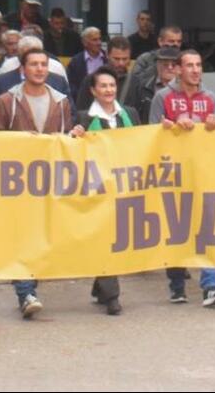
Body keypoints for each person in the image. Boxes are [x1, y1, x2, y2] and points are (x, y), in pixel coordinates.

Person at [0, 48, 74, 319]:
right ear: (22, 69)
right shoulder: (6, 101)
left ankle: (30, 286)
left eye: (43, 64)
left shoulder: (61, 101)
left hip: (49, 180)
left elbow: (67, 138)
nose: (39, 69)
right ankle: (26, 292)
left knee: (42, 236)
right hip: (17, 182)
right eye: (34, 64)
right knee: (22, 236)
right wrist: (19, 141)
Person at [149, 50, 215, 307]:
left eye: (199, 65)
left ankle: (210, 286)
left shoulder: (210, 97)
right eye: (190, 65)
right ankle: (177, 286)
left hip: (202, 170)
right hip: (172, 172)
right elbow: (150, 135)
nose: (196, 70)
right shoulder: (162, 97)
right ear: (177, 69)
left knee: (207, 226)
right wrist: (170, 127)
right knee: (176, 227)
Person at [69, 66, 139, 316]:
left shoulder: (130, 114)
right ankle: (112, 295)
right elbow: (72, 149)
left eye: (112, 85)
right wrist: (74, 136)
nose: (109, 90)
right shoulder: (84, 118)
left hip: (125, 186)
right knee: (104, 237)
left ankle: (100, 285)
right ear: (93, 90)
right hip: (97, 188)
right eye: (103, 86)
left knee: (117, 238)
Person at [0, 36, 69, 114]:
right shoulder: (6, 69)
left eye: (44, 64)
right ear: (19, 54)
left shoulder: (57, 70)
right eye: (26, 55)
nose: (39, 68)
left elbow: (69, 111)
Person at [123, 46, 180, 123]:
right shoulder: (141, 86)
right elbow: (131, 113)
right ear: (157, 65)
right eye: (165, 64)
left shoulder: (187, 89)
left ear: (180, 68)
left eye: (173, 65)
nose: (170, 67)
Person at [75, 36, 131, 111]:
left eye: (125, 59)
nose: (121, 63)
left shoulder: (135, 82)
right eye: (116, 59)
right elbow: (81, 110)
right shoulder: (90, 80)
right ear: (107, 55)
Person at [66, 26, 106, 98]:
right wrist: (82, 96)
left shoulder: (107, 58)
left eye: (100, 39)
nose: (99, 43)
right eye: (95, 40)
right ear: (85, 43)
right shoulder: (76, 61)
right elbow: (70, 84)